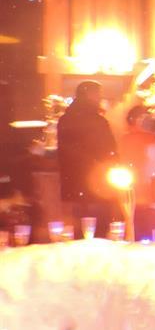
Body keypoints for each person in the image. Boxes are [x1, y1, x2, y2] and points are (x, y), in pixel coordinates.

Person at [57, 81, 117, 238]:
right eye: (98, 94)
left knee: (77, 229)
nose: (100, 98)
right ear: (89, 95)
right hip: (97, 183)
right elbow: (108, 150)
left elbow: (65, 151)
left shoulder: (65, 119)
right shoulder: (97, 121)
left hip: (73, 183)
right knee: (99, 229)